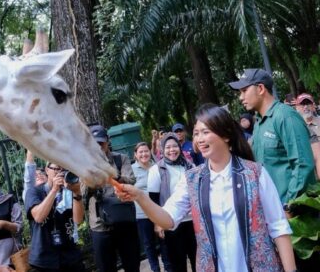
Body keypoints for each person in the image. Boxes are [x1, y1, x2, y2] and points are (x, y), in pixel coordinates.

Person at [116, 104, 297, 272]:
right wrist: (140, 196)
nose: (199, 139)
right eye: (196, 133)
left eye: (205, 132)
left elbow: (279, 228)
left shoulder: (255, 174)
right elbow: (168, 219)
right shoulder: (193, 179)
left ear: (226, 135)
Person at [229, 68, 316, 206]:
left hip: (295, 213)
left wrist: (290, 205)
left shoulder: (285, 116)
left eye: (244, 91)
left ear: (261, 88)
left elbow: (303, 164)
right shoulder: (259, 123)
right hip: (273, 209)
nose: (241, 97)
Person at [84, 124, 140, 272]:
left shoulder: (120, 158)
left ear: (108, 141)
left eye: (101, 143)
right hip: (100, 225)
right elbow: (82, 194)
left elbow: (131, 179)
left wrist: (111, 174)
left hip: (124, 218)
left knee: (132, 264)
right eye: (95, 144)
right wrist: (92, 179)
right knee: (105, 267)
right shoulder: (85, 165)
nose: (99, 147)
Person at [147, 133, 197, 272]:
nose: (172, 150)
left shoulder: (190, 166)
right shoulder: (156, 170)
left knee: (197, 259)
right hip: (171, 222)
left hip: (192, 221)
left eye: (175, 146)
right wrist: (158, 223)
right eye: (168, 147)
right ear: (162, 150)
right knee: (177, 262)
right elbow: (153, 200)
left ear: (180, 147)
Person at [25, 161, 85, 272]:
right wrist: (54, 190)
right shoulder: (34, 192)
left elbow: (78, 219)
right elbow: (38, 217)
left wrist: (77, 193)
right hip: (45, 257)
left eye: (63, 170)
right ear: (47, 170)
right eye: (57, 169)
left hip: (69, 254)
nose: (60, 173)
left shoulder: (69, 191)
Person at [132, 142, 169, 272]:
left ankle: (168, 267)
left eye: (146, 151)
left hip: (159, 211)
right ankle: (155, 269)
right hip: (142, 214)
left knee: (164, 241)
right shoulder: (131, 170)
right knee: (149, 244)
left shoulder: (157, 167)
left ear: (150, 152)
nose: (144, 154)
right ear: (135, 155)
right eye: (140, 152)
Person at [295, 93, 320, 180]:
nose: (305, 107)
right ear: (296, 108)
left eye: (308, 104)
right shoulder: (294, 127)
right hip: (306, 176)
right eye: (302, 104)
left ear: (313, 106)